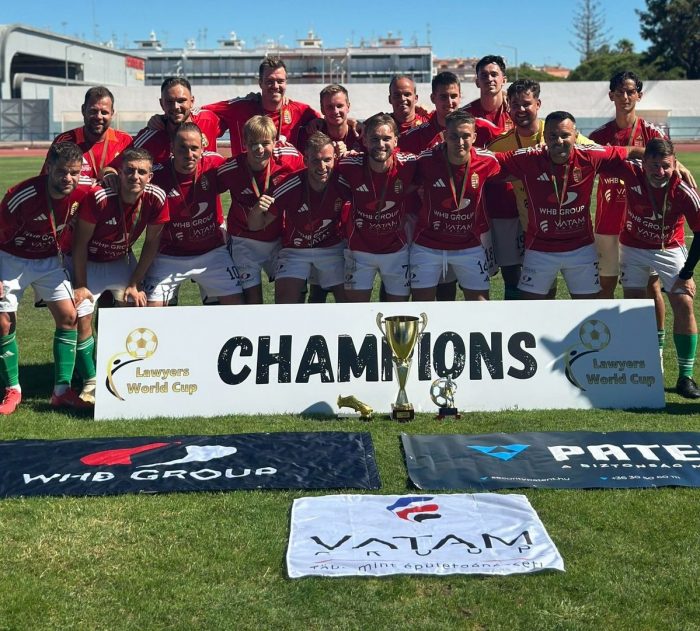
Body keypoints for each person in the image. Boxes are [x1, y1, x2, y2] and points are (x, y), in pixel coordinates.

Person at [494, 111, 644, 299]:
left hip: (580, 248)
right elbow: (487, 160)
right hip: (540, 248)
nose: (559, 141)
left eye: (565, 135)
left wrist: (672, 162)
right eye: (553, 136)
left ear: (575, 135)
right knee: (531, 306)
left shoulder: (590, 155)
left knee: (588, 306)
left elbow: (629, 151)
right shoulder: (529, 157)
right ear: (545, 137)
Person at [69, 147, 169, 403]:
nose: (135, 176)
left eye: (142, 172)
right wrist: (80, 284)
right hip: (88, 261)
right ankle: (90, 381)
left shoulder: (157, 197)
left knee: (132, 305)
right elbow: (80, 244)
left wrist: (135, 283)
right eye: (130, 171)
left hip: (118, 260)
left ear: (150, 177)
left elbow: (152, 244)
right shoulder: (100, 196)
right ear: (120, 173)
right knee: (82, 314)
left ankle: (122, 371)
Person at [0, 143, 93, 413]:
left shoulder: (85, 189)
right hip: (11, 258)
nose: (68, 178)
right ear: (49, 167)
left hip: (50, 259)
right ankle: (13, 390)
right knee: (4, 322)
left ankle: (61, 391)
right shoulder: (21, 195)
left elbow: (106, 192)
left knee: (69, 316)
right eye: (62, 171)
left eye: (74, 173)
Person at [485, 79, 594, 299]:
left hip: (573, 233)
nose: (521, 109)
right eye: (515, 105)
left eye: (526, 104)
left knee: (584, 298)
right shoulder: (499, 145)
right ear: (508, 107)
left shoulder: (558, 132)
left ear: (538, 104)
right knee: (540, 295)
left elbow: (596, 152)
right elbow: (482, 168)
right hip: (534, 231)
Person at [589, 70, 669, 354]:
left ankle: (656, 350)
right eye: (620, 91)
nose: (625, 96)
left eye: (630, 91)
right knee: (605, 286)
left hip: (643, 225)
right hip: (608, 224)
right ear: (611, 95)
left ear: (639, 95)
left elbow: (669, 171)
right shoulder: (598, 137)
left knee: (651, 287)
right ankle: (606, 348)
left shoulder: (653, 134)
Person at [617, 139, 700, 399]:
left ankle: (686, 377)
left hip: (669, 248)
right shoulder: (631, 171)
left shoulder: (683, 189)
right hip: (632, 247)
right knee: (636, 306)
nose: (660, 172)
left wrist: (687, 274)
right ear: (643, 164)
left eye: (666, 166)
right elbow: (602, 155)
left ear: (675, 164)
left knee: (684, 302)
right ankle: (648, 365)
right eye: (654, 165)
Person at [145, 123, 242, 307]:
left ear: (202, 148)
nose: (189, 154)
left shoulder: (214, 164)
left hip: (212, 252)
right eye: (182, 148)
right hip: (169, 254)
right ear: (172, 148)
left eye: (194, 148)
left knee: (236, 306)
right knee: (151, 311)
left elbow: (245, 170)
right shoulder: (157, 175)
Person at [411, 110, 500, 301]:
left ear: (474, 137)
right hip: (428, 244)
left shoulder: (487, 160)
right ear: (445, 136)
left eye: (466, 136)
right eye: (454, 136)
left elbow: (514, 169)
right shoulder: (426, 160)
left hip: (469, 245)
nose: (460, 142)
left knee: (480, 304)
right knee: (421, 306)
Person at [217, 115, 305, 304]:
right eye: (253, 143)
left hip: (279, 238)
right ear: (244, 143)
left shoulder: (291, 158)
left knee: (291, 298)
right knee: (252, 302)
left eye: (265, 143)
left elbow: (311, 173)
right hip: (243, 241)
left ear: (275, 142)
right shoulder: (229, 169)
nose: (259, 149)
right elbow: (205, 188)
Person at [250, 131, 346, 304]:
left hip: (332, 248)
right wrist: (257, 210)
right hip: (295, 251)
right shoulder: (290, 184)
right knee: (285, 304)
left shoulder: (343, 182)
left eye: (327, 160)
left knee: (349, 301)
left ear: (335, 159)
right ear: (306, 160)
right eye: (316, 160)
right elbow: (256, 225)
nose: (322, 166)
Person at [337, 113, 418, 302]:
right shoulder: (348, 164)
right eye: (374, 139)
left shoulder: (410, 163)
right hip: (359, 249)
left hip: (396, 249)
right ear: (364, 140)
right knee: (356, 309)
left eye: (386, 138)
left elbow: (433, 166)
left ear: (396, 140)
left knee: (398, 311)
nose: (381, 144)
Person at [204, 56, 320, 155]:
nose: (275, 86)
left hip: (285, 174)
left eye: (280, 81)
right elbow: (202, 112)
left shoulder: (298, 110)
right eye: (270, 81)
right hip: (246, 174)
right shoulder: (240, 107)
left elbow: (321, 121)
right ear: (260, 83)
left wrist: (315, 123)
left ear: (286, 83)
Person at [398, 71, 500, 155]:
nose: (449, 102)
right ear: (433, 98)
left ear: (460, 97)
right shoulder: (416, 135)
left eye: (453, 96)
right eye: (443, 97)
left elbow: (506, 147)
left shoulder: (481, 126)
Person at [44, 86, 133, 180]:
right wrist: (87, 183)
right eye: (93, 111)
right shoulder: (64, 141)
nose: (98, 117)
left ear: (112, 113)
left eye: (104, 112)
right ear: (83, 110)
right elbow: (46, 179)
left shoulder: (125, 141)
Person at [133, 77, 222, 164]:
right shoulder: (149, 139)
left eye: (181, 100)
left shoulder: (208, 120)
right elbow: (127, 164)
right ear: (161, 104)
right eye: (169, 102)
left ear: (192, 101)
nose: (176, 107)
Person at [297, 84, 362, 156]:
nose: (335, 111)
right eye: (330, 107)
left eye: (340, 106)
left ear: (348, 107)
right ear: (322, 110)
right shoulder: (310, 134)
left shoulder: (361, 134)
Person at [462, 55, 513, 133]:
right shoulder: (465, 115)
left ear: (504, 80)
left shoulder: (515, 111)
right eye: (484, 75)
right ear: (477, 82)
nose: (489, 79)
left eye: (494, 74)